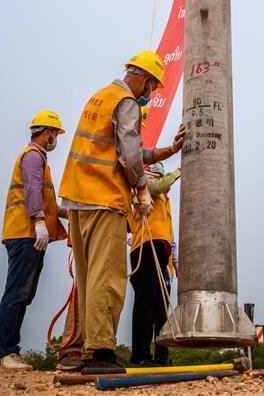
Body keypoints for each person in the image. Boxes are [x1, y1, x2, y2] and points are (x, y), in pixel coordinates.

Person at [59, 50, 185, 375]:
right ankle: (100, 350)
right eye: (152, 87)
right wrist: (142, 188)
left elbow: (122, 148)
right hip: (105, 198)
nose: (151, 93)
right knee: (108, 276)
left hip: (79, 197)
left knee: (86, 278)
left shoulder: (101, 97)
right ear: (144, 81)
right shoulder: (127, 101)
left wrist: (166, 151)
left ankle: (75, 349)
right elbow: (129, 154)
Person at [0, 111, 68, 371]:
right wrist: (38, 221)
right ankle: (4, 354)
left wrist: (72, 213)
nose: (55, 140)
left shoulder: (38, 158)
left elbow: (47, 200)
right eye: (55, 134)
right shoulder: (34, 156)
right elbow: (32, 190)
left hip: (28, 234)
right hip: (25, 233)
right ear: (47, 132)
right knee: (16, 293)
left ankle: (10, 352)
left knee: (23, 294)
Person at [128, 162, 181, 366]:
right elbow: (158, 185)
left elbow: (171, 237)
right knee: (145, 304)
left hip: (160, 253)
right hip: (146, 247)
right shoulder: (145, 186)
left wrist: (175, 264)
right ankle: (140, 355)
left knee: (160, 309)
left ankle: (161, 356)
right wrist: (179, 170)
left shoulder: (163, 202)